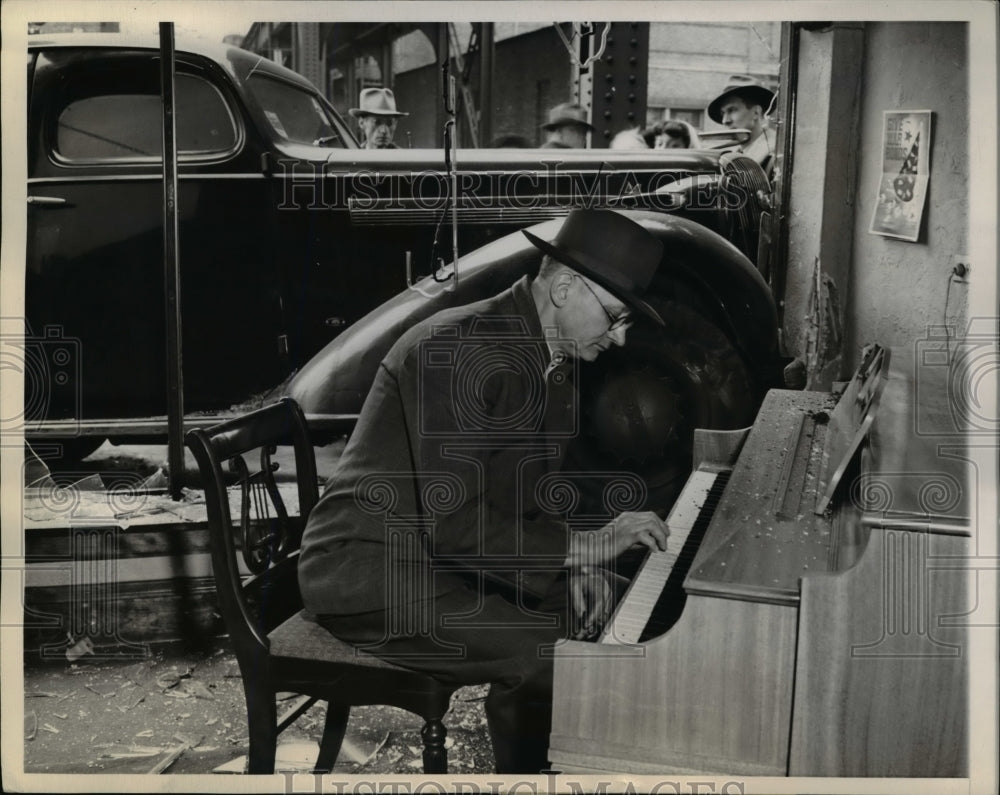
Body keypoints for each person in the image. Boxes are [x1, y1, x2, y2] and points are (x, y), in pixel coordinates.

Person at [298, 209, 671, 773]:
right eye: (616, 317)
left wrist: (573, 567)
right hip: (371, 569)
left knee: (625, 606)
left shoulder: (553, 360)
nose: (620, 339)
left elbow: (523, 499)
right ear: (565, 288)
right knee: (552, 657)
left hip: (443, 559)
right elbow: (456, 526)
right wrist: (585, 547)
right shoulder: (456, 349)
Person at [707, 74, 777, 172]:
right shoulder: (736, 153)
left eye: (732, 110)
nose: (725, 121)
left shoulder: (775, 153)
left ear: (756, 112)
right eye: (723, 113)